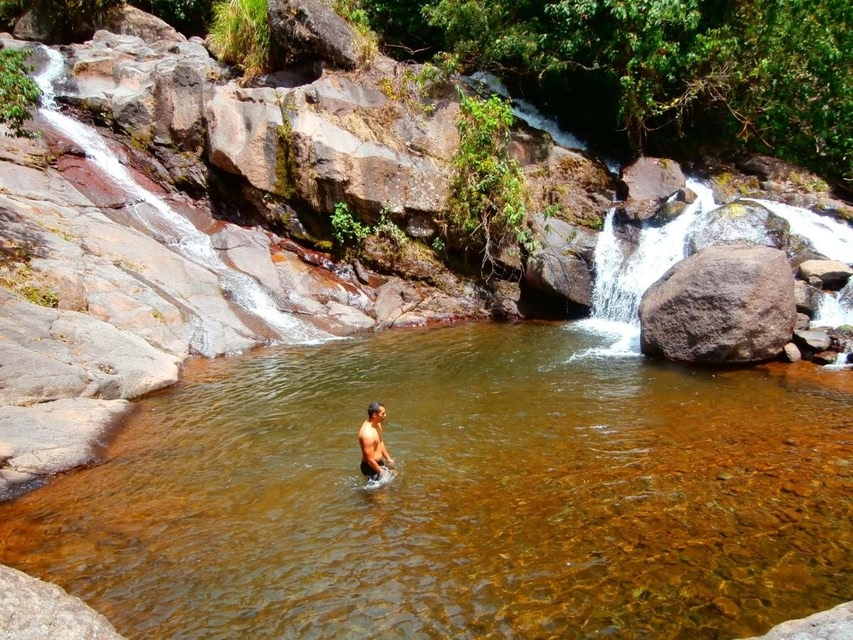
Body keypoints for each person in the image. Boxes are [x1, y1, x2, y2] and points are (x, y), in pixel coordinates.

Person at [358, 401, 395, 481]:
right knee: (385, 488)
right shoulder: (367, 434)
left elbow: (380, 441)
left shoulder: (377, 423)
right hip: (370, 466)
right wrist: (382, 472)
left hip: (378, 462)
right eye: (383, 414)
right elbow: (369, 460)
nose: (385, 415)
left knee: (395, 476)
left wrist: (388, 458)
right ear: (375, 415)